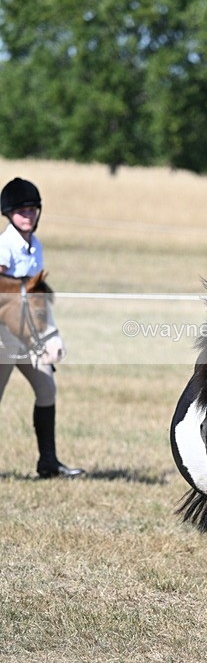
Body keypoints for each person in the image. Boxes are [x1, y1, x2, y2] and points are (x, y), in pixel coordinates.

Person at [0, 177, 84, 478]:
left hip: (26, 335)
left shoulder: (35, 246)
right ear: (9, 213)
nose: (28, 214)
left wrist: (50, 336)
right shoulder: (4, 246)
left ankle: (48, 462)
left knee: (46, 387)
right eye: (21, 210)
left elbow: (37, 300)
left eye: (33, 209)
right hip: (3, 337)